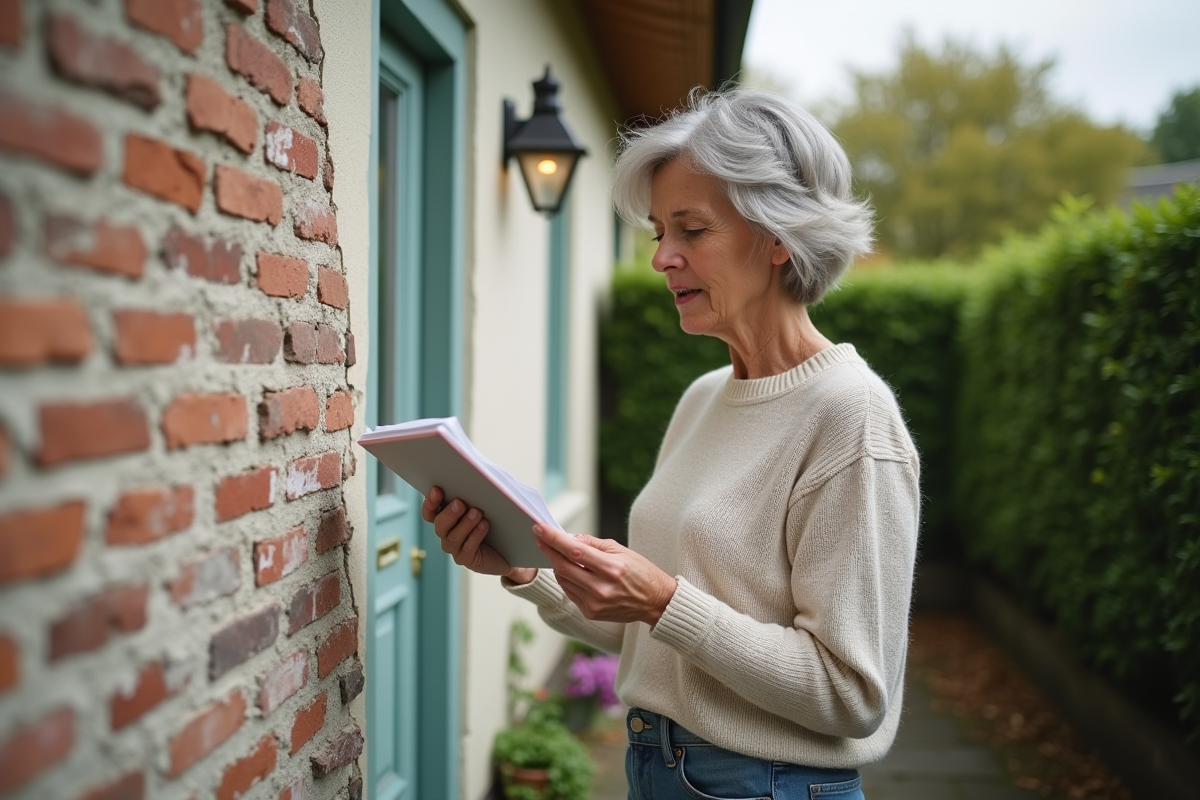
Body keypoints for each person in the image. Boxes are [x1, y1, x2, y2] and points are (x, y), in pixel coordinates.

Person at [422, 88, 919, 800]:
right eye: (660, 231)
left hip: (765, 786)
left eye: (691, 230)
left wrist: (662, 601)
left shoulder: (852, 416)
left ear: (780, 237)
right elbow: (674, 645)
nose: (662, 258)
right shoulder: (701, 400)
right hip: (657, 767)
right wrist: (529, 573)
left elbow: (849, 693)